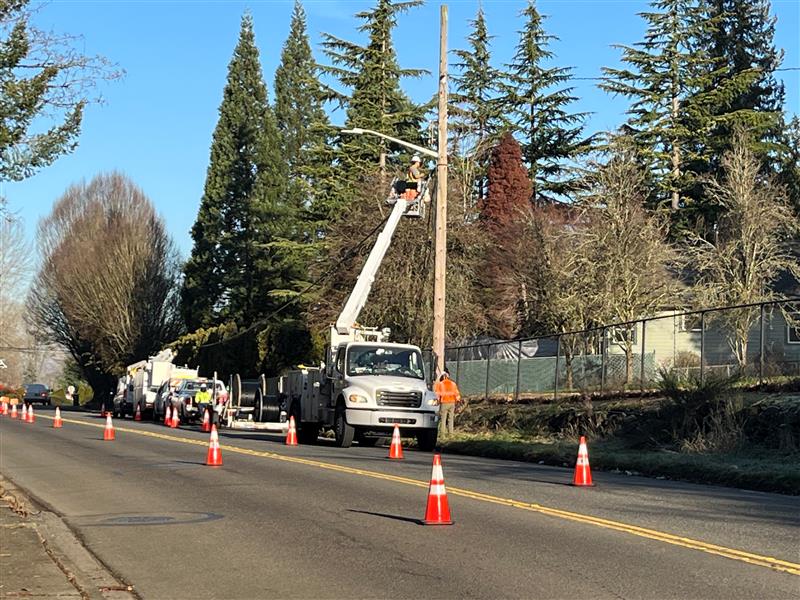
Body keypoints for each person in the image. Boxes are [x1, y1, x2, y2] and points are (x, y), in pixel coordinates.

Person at [433, 370, 461, 437]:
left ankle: (443, 435)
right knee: (451, 419)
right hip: (452, 403)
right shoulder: (453, 384)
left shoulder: (440, 384)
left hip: (444, 403)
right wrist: (457, 402)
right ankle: (451, 434)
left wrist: (437, 402)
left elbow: (437, 394)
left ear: (442, 377)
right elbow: (457, 394)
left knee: (443, 419)